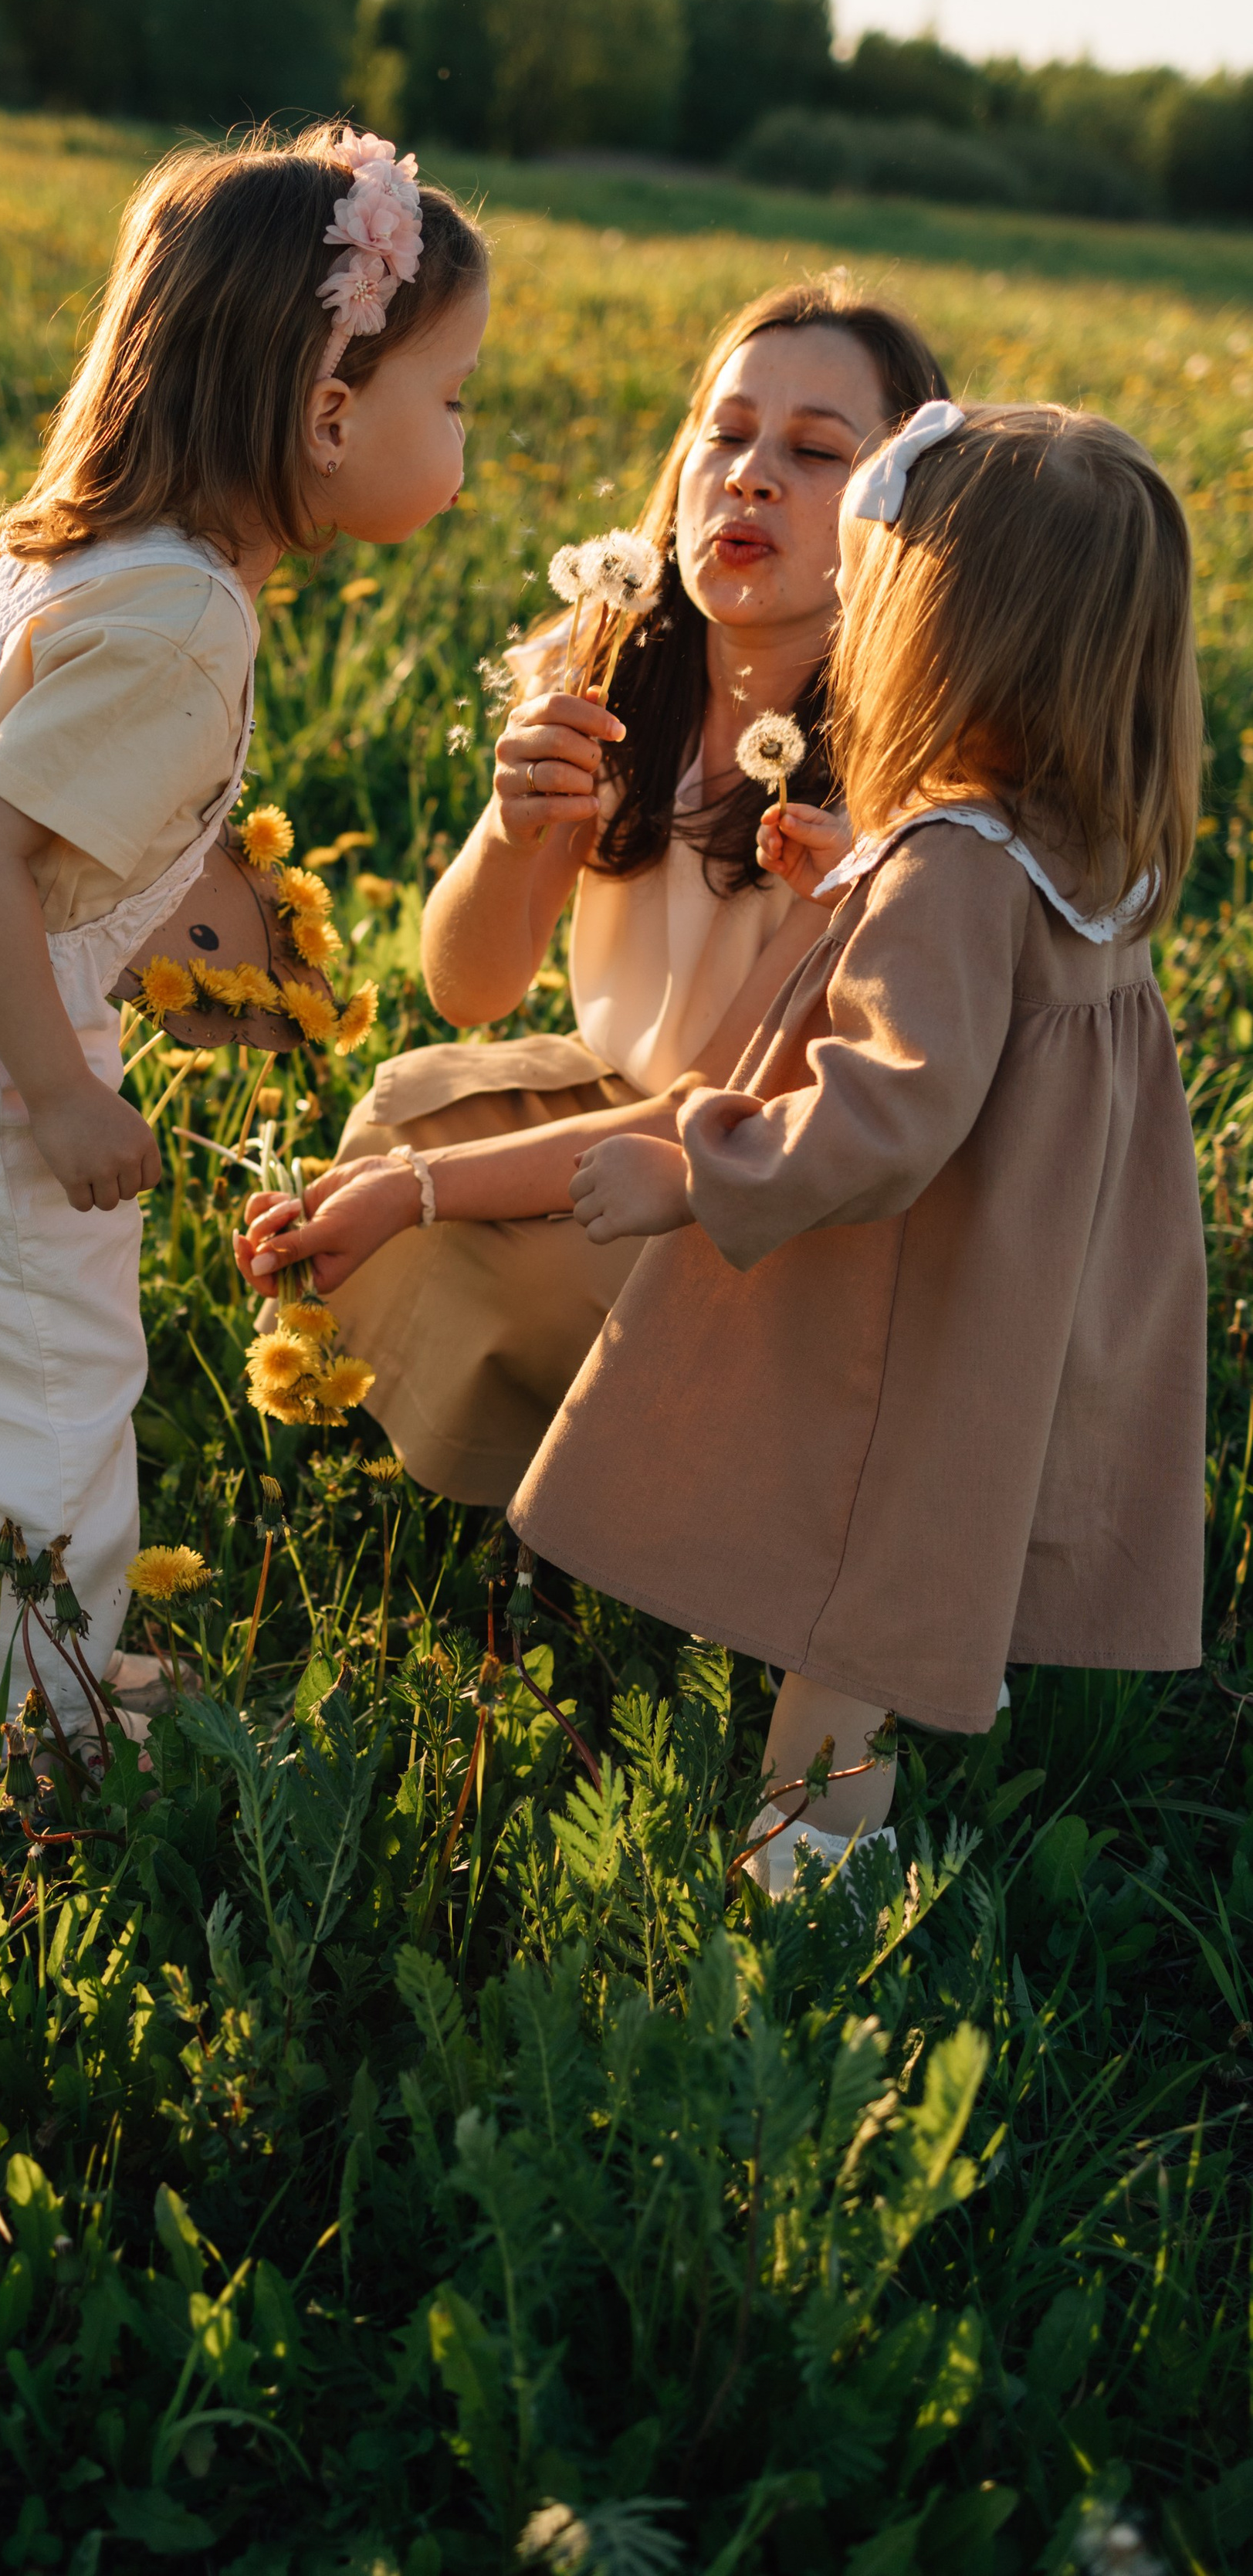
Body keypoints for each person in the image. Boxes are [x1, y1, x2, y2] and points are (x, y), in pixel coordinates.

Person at [0, 127, 489, 1788]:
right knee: (42, 1398)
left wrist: (123, 872)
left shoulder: (68, 548)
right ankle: (25, 1765)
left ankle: (5, 1656)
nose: (462, 436)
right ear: (324, 410)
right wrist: (59, 1091)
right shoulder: (186, 618)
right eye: (450, 397)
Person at [513, 400, 1206, 1888]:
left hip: (910, 1294)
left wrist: (694, 1166)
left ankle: (810, 1879)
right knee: (951, 1506)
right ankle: (943, 1672)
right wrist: (868, 882)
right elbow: (1000, 1021)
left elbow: (893, 1107)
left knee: (855, 1567)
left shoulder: (957, 864)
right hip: (1022, 1288)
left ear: (949, 638)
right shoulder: (1087, 847)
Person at [235, 280, 949, 1506]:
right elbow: (469, 989)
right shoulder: (612, 667)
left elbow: (715, 1109)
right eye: (724, 436)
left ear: (902, 512)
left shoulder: (902, 766)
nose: (752, 476)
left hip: (765, 1172)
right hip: (629, 1096)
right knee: (403, 1110)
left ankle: (629, 1503)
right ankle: (532, 1441)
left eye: (817, 451)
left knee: (488, 1250)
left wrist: (423, 1198)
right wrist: (516, 832)